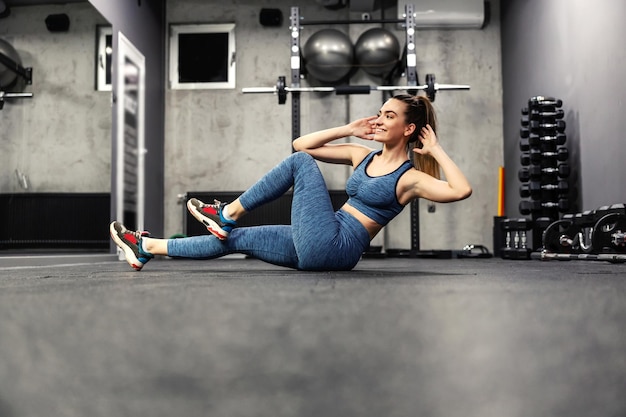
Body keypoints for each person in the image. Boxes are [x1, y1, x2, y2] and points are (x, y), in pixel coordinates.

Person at [110, 94, 472, 271]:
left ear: (408, 129)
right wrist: (349, 129)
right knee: (236, 239)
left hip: (338, 245)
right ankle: (147, 248)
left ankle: (228, 212)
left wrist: (436, 149)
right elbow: (302, 143)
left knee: (299, 166)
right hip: (319, 237)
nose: (378, 120)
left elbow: (460, 190)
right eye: (379, 112)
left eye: (388, 116)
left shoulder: (409, 178)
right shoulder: (363, 155)